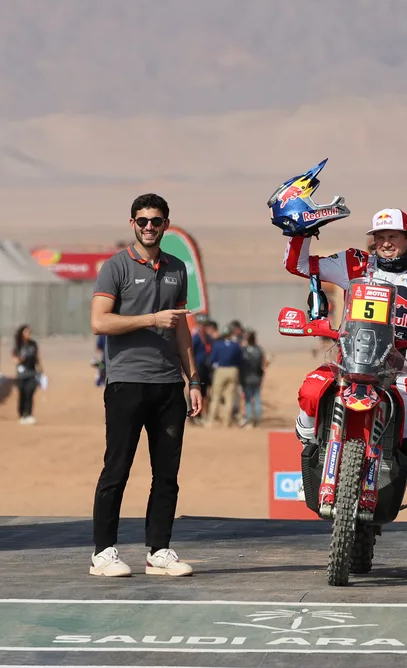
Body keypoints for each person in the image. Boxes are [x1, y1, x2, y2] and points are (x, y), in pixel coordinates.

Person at [284, 207, 407, 578]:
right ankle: (309, 447)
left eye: (393, 236)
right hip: (349, 366)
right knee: (312, 387)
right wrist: (300, 233)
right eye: (380, 237)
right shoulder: (354, 263)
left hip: (397, 375)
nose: (385, 243)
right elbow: (300, 266)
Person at [88, 194, 204, 577]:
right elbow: (100, 322)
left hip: (168, 385)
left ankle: (159, 551)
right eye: (142, 221)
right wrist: (151, 318)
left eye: (156, 221)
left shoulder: (177, 269)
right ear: (132, 224)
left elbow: (182, 329)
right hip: (126, 382)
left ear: (166, 224)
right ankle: (103, 553)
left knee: (167, 474)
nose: (149, 227)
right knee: (116, 469)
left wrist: (193, 380)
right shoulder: (115, 267)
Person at [206, 327, 243, 427]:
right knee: (229, 397)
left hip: (220, 370)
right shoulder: (236, 345)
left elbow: (212, 359)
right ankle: (226, 421)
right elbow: (240, 359)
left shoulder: (218, 345)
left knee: (215, 396)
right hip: (233, 370)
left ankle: (211, 420)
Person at [13, 324, 42, 424]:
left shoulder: (33, 344)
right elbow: (14, 359)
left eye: (29, 332)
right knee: (22, 394)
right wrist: (19, 359)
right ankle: (22, 414)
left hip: (32, 372)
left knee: (30, 392)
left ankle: (29, 414)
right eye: (26, 332)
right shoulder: (18, 345)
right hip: (21, 374)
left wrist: (40, 369)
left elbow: (37, 357)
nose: (28, 334)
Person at [239, 330, 268, 427]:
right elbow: (264, 363)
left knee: (248, 399)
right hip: (257, 377)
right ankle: (258, 419)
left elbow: (241, 365)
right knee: (257, 398)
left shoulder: (244, 350)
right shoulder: (259, 349)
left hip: (246, 377)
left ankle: (249, 418)